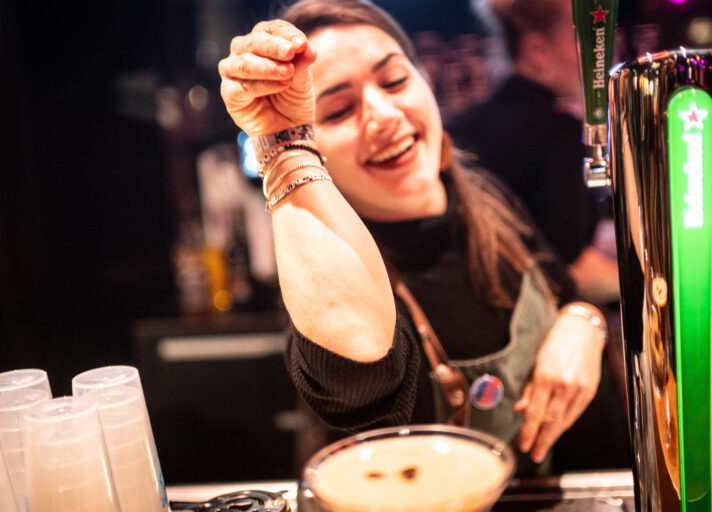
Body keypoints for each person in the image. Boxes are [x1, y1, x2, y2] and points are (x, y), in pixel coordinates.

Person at [217, 0, 606, 472]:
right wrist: (281, 141)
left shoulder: (480, 193)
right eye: (339, 110)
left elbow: (564, 289)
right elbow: (359, 383)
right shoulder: (331, 274)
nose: (383, 114)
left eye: (395, 80)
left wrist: (585, 325)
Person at [447, 0, 620, 306]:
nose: (599, 56)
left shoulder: (461, 127)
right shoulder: (559, 131)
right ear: (538, 51)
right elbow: (570, 265)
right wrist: (659, 285)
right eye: (579, 41)